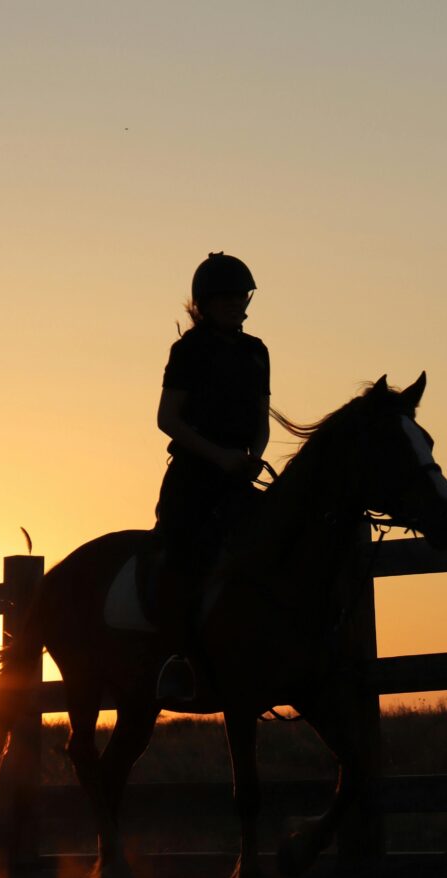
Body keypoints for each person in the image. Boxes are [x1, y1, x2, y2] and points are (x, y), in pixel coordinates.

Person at [154, 253, 270, 699]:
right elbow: (168, 418)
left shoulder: (256, 352)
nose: (236, 304)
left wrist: (253, 455)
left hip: (239, 474)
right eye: (226, 297)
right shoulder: (188, 351)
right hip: (194, 476)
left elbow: (260, 419)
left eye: (241, 296)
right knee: (183, 554)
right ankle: (180, 658)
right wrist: (219, 457)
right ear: (205, 303)